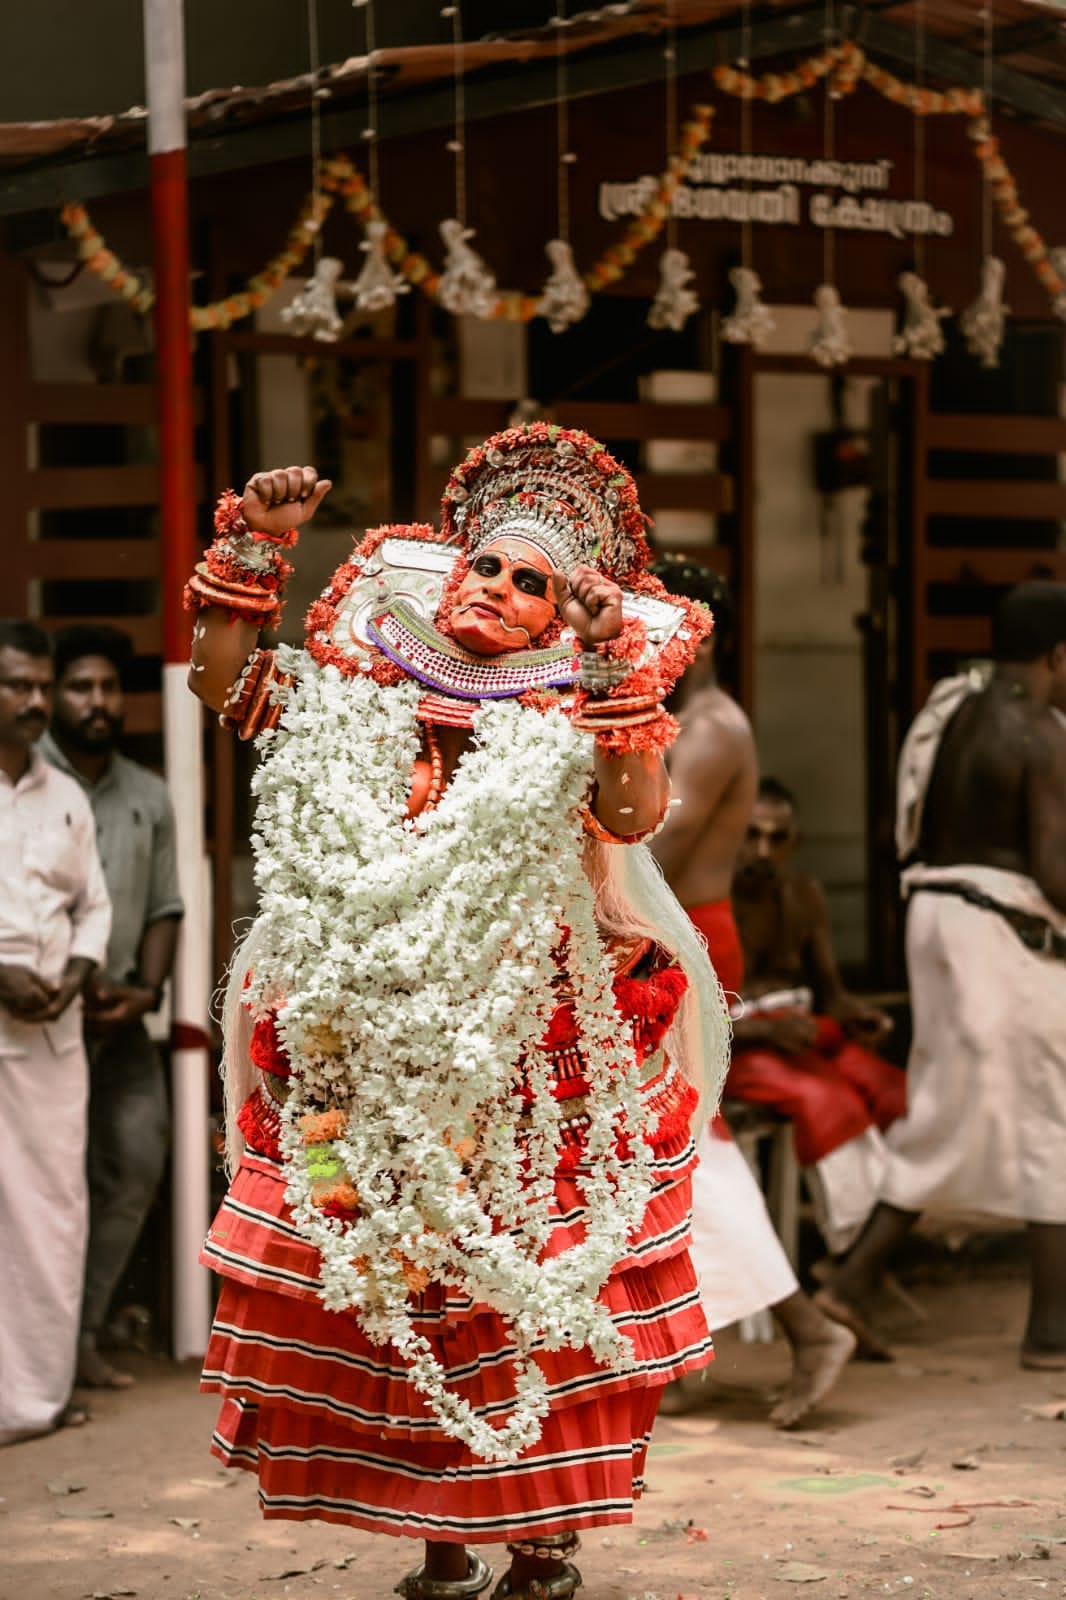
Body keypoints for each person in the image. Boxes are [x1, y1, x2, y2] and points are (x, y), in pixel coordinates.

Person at [186, 429, 732, 1600]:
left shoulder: (564, 719)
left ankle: (540, 1535)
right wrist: (253, 548)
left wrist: (601, 676)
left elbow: (632, 813)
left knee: (513, 1287)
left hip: (524, 1059)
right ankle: (436, 1540)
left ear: (557, 616)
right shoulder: (356, 694)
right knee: (369, 1271)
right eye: (484, 565)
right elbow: (226, 684)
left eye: (531, 581)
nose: (496, 588)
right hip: (350, 1045)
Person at [819, 581, 1066, 1368]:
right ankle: (1049, 1330)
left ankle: (854, 1285)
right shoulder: (1040, 731)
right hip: (999, 930)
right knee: (1048, 1120)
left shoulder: (951, 706)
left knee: (962, 1115)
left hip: (939, 919)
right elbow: (1057, 872)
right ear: (1059, 656)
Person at [650, 558, 855, 1429]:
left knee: (678, 1141)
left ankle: (808, 1329)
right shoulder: (677, 713)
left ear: (698, 629)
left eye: (651, 616)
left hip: (682, 935)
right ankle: (656, 1350)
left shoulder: (711, 724)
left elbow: (649, 850)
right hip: (662, 930)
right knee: (653, 1143)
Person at [40, 624, 184, 1390]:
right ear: (53, 695)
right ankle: (37, 1352)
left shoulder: (148, 795)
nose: (97, 702)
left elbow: (166, 906)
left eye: (107, 688)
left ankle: (81, 1336)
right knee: (40, 1184)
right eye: (79, 687)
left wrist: (147, 995)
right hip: (36, 1019)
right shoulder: (28, 783)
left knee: (134, 1161)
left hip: (122, 1019)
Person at [0, 619, 111, 1446]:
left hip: (50, 1039)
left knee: (52, 1212)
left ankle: (33, 1398)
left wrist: (76, 972)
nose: (35, 701)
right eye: (18, 685)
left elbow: (93, 908)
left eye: (42, 685)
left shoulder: (67, 795)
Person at [728, 777, 906, 1258]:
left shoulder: (804, 895)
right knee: (827, 1099)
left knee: (896, 1093)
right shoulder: (708, 901)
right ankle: (850, 1244)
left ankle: (879, 1242)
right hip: (737, 1047)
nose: (762, 850)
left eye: (776, 838)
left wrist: (861, 1018)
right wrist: (765, 1029)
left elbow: (833, 995)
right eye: (752, 835)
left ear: (794, 843)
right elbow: (685, 1018)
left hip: (803, 1036)